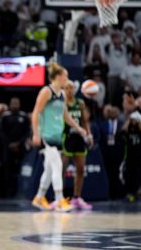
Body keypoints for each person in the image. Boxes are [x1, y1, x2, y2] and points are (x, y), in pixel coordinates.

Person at [31, 63, 87, 212]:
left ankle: (39, 197)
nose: (67, 78)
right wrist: (36, 133)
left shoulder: (62, 94)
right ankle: (59, 199)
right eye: (65, 76)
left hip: (57, 135)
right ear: (57, 77)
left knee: (49, 170)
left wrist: (79, 128)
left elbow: (66, 116)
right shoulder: (46, 92)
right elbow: (35, 113)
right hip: (46, 135)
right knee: (58, 166)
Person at [61, 80, 94, 210]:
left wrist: (89, 135)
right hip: (66, 137)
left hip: (79, 139)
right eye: (68, 88)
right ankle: (60, 198)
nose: (70, 90)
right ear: (63, 89)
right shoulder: (62, 103)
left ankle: (76, 198)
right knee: (62, 169)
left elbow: (85, 121)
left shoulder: (80, 103)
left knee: (80, 169)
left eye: (72, 88)